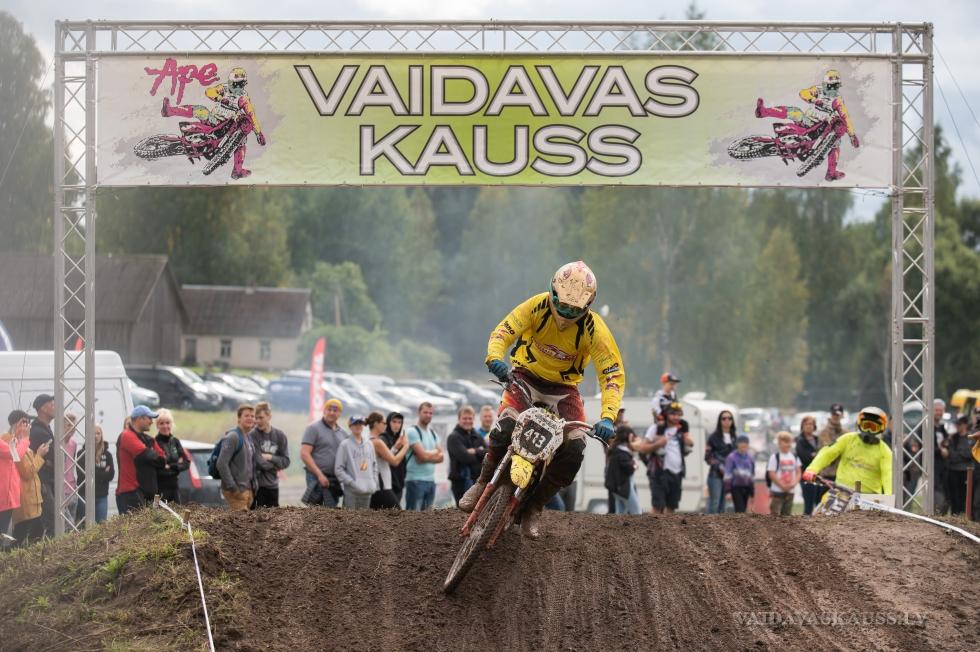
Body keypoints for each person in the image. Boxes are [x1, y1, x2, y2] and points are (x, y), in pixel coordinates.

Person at [461, 261, 624, 539]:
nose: (566, 313)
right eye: (562, 305)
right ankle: (482, 481)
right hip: (525, 376)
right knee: (506, 425)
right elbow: (504, 331)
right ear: (552, 292)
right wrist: (495, 357)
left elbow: (612, 374)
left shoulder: (595, 329)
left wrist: (608, 416)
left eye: (574, 309)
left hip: (564, 389)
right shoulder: (536, 306)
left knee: (575, 447)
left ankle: (535, 506)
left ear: (588, 304)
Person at [160, 66, 267, 179]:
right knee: (200, 110)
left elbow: (251, 115)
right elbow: (209, 91)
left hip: (228, 127)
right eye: (235, 84)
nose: (237, 87)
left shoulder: (243, 98)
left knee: (242, 141)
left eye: (240, 84)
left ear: (243, 84)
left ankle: (237, 170)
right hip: (214, 119)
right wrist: (219, 98)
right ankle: (170, 111)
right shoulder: (224, 88)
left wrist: (258, 133)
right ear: (231, 82)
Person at [755, 69, 860, 181]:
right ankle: (763, 112)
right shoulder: (818, 90)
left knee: (836, 142)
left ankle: (831, 172)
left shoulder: (837, 99)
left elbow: (845, 116)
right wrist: (814, 100)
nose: (832, 89)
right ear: (825, 84)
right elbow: (803, 93)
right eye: (830, 86)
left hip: (822, 128)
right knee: (795, 112)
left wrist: (852, 135)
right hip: (807, 121)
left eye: (836, 86)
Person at [803, 406, 893, 495]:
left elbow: (888, 475)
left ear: (881, 429)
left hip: (869, 497)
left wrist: (889, 497)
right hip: (842, 492)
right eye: (866, 426)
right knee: (823, 503)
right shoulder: (848, 439)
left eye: (873, 428)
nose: (868, 431)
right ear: (859, 425)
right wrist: (812, 470)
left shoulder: (885, 451)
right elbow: (828, 453)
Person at [634, 402, 693, 515]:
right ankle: (652, 527)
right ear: (666, 414)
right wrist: (658, 444)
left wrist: (688, 442)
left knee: (671, 507)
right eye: (673, 414)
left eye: (678, 414)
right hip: (659, 472)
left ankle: (667, 527)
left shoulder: (681, 429)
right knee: (658, 506)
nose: (676, 417)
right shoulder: (656, 428)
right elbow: (642, 448)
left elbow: (689, 444)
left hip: (677, 473)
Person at [116, 406, 165, 514]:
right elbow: (148, 456)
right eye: (149, 418)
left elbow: (162, 460)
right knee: (133, 525)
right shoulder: (127, 435)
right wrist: (152, 453)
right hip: (130, 493)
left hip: (142, 492)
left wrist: (153, 455)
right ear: (140, 419)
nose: (152, 422)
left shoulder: (148, 439)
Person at [300, 398, 347, 508]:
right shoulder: (313, 428)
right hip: (315, 476)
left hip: (334, 479)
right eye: (329, 409)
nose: (332, 412)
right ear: (324, 410)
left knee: (331, 512)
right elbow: (304, 454)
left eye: (335, 410)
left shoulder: (343, 433)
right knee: (315, 511)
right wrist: (319, 475)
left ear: (340, 413)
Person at [10, 410, 48, 545]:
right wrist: (40, 455)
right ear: (18, 424)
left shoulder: (24, 445)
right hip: (25, 501)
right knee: (21, 537)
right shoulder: (15, 445)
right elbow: (27, 472)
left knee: (36, 534)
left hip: (33, 500)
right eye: (25, 423)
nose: (29, 427)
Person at [217, 405, 258, 512]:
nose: (250, 418)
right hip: (236, 492)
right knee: (240, 522)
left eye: (252, 416)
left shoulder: (248, 437)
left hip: (247, 491)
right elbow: (221, 464)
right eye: (246, 416)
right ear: (239, 418)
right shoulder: (233, 437)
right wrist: (233, 488)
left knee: (247, 522)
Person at [249, 402, 290, 508]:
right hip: (256, 486)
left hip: (273, 486)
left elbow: (286, 461)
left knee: (273, 516)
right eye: (256, 418)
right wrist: (276, 467)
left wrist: (271, 457)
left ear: (269, 416)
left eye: (261, 418)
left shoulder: (280, 436)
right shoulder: (252, 435)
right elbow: (258, 461)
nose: (257, 421)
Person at [405, 402, 444, 511]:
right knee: (413, 516)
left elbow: (441, 457)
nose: (428, 415)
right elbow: (422, 456)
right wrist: (434, 453)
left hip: (431, 481)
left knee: (427, 518)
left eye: (430, 413)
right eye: (425, 412)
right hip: (415, 481)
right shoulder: (412, 431)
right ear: (419, 413)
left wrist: (426, 455)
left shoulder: (433, 433)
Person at [334, 416, 378, 510]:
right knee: (350, 518)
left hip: (367, 491)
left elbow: (374, 465)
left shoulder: (369, 444)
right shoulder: (345, 445)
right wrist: (352, 483)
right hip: (351, 493)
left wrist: (374, 482)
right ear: (350, 426)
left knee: (364, 518)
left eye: (360, 423)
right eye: (355, 424)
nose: (358, 426)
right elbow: (338, 469)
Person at [28, 394, 56, 536]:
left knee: (38, 526)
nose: (55, 407)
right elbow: (55, 457)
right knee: (53, 521)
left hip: (46, 482)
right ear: (43, 408)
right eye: (52, 404)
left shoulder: (45, 429)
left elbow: (55, 458)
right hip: (43, 483)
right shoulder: (39, 432)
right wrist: (50, 461)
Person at [447, 406, 486, 506]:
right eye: (464, 418)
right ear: (459, 419)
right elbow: (466, 458)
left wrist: (475, 451)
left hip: (477, 481)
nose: (467, 421)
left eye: (470, 418)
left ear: (474, 419)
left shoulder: (477, 436)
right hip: (460, 483)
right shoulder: (453, 437)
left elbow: (489, 453)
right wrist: (480, 452)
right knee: (462, 511)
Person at [1, 410, 31, 542]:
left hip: (8, 498)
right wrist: (25, 438)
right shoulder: (3, 441)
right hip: (3, 498)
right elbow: (16, 455)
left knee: (4, 535)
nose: (26, 427)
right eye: (23, 423)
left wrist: (19, 436)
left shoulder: (10, 441)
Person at [368, 411, 407, 510]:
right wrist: (406, 447)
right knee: (398, 514)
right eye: (384, 423)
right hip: (382, 486)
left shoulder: (368, 440)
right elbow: (394, 461)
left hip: (376, 486)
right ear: (376, 424)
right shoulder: (378, 442)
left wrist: (395, 447)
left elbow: (383, 458)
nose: (385, 425)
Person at [75, 425, 114, 523]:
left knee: (101, 527)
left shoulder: (107, 454)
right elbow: (83, 474)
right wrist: (103, 473)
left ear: (101, 436)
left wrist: (93, 472)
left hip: (102, 496)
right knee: (86, 527)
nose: (96, 436)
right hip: (85, 496)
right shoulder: (81, 453)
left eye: (98, 433)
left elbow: (111, 475)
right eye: (93, 433)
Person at [704, 410, 737, 514]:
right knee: (714, 504)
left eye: (729, 418)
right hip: (715, 476)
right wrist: (719, 466)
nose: (727, 420)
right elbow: (707, 456)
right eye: (724, 418)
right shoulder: (713, 437)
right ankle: (710, 523)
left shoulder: (735, 437)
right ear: (720, 421)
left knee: (724, 506)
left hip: (729, 477)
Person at [154, 408, 189, 504]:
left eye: (167, 423)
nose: (165, 426)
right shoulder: (154, 442)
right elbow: (158, 467)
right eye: (161, 423)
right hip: (159, 489)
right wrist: (177, 464)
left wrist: (170, 466)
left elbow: (186, 463)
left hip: (175, 488)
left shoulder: (175, 441)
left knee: (177, 513)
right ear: (157, 425)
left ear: (171, 424)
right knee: (159, 514)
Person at [605, 425, 641, 515]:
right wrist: (635, 465)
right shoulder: (621, 452)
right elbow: (628, 468)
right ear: (628, 436)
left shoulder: (616, 450)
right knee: (637, 512)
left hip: (617, 487)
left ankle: (617, 524)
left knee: (620, 512)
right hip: (623, 487)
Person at [944, 416, 975, 515]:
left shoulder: (971, 437)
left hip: (966, 471)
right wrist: (960, 455)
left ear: (965, 425)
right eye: (956, 424)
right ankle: (955, 515)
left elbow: (970, 454)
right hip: (953, 471)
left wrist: (958, 454)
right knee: (954, 497)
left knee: (965, 497)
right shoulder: (953, 437)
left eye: (959, 424)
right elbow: (951, 454)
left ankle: (965, 516)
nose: (957, 426)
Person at [767, 431, 802, 516]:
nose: (787, 444)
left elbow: (799, 472)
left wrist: (793, 484)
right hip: (777, 492)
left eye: (789, 442)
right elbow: (771, 473)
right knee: (775, 516)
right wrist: (782, 485)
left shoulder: (794, 457)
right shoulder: (774, 457)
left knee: (787, 516)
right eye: (785, 442)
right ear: (779, 443)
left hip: (790, 492)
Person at [795, 415, 822, 515]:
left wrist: (814, 455)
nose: (809, 426)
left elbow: (824, 453)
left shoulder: (818, 439)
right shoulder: (799, 440)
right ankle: (806, 524)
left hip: (819, 476)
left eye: (811, 424)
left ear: (814, 426)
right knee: (808, 506)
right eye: (806, 424)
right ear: (802, 426)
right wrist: (816, 455)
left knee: (819, 505)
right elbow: (804, 457)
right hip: (806, 476)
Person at [379, 412, 407, 502]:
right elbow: (385, 460)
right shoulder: (383, 438)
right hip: (387, 485)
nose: (397, 425)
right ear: (388, 422)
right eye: (394, 422)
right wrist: (398, 447)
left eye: (399, 422)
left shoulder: (400, 439)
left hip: (399, 483)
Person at [724, 435, 755, 513]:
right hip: (736, 487)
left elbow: (752, 476)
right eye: (741, 442)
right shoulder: (731, 457)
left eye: (745, 443)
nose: (743, 444)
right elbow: (727, 475)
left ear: (748, 445)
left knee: (743, 510)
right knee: (740, 510)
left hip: (746, 488)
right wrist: (728, 491)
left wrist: (752, 492)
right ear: (737, 444)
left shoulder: (750, 458)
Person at [817, 404, 845, 484]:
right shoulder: (824, 432)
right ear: (831, 414)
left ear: (842, 415)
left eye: (837, 414)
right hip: (827, 473)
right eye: (834, 414)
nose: (835, 417)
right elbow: (828, 451)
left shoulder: (846, 433)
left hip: (842, 474)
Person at [932, 398, 950, 515]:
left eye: (941, 410)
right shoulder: (926, 427)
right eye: (936, 410)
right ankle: (935, 515)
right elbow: (926, 447)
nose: (939, 412)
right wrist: (940, 450)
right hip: (932, 466)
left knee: (946, 495)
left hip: (943, 466)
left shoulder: (942, 428)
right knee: (937, 495)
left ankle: (941, 516)